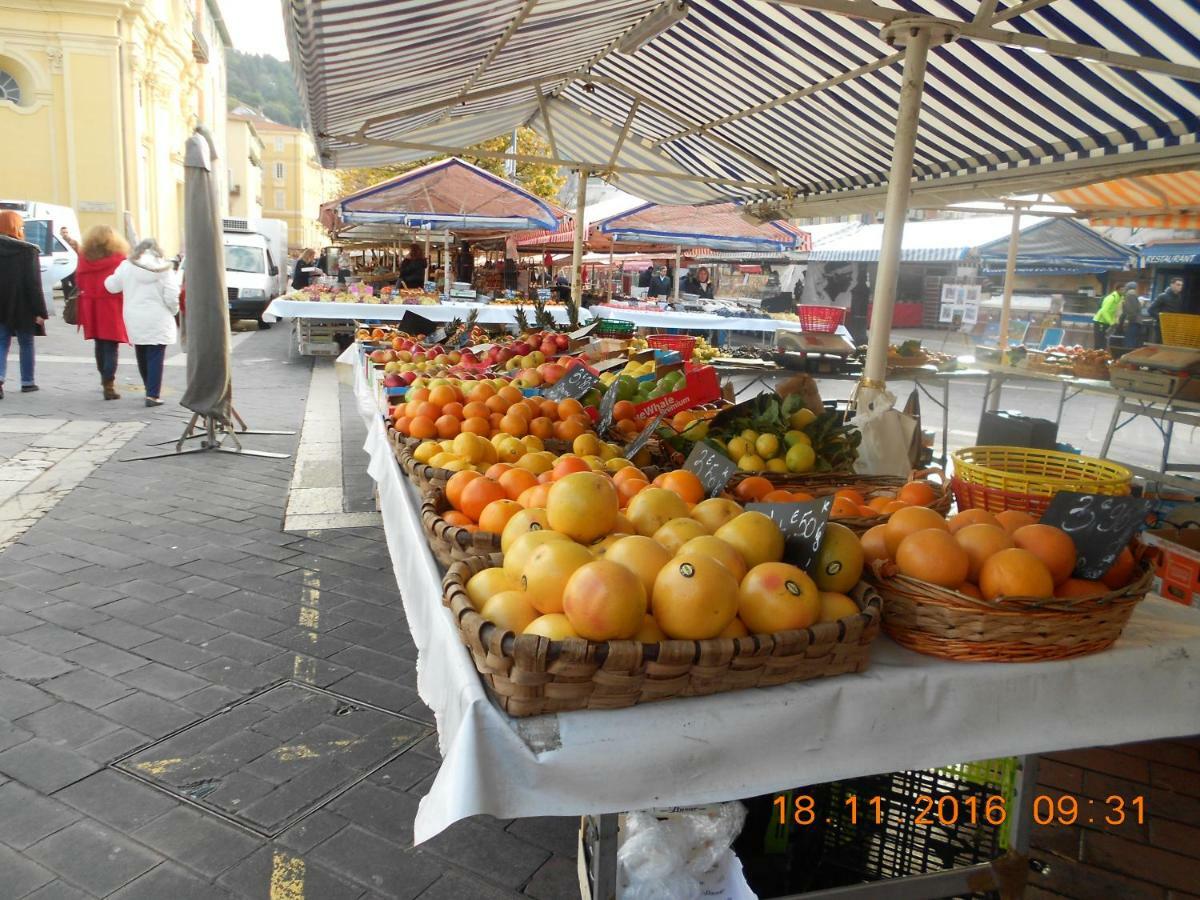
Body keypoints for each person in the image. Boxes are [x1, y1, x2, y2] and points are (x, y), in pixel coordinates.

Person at [103, 238, 179, 406]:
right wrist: (173, 311)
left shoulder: (127, 266)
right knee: (155, 355)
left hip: (134, 315)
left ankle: (148, 387)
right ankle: (152, 394)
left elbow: (111, 286)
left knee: (142, 351)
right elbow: (172, 295)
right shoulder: (164, 268)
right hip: (159, 317)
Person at [75, 225, 129, 400]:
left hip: (91, 305)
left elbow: (79, 281)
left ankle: (104, 378)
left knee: (99, 344)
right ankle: (109, 383)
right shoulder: (119, 259)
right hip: (112, 305)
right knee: (111, 345)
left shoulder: (84, 258)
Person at [0, 211, 48, 398]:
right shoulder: (28, 250)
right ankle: (27, 382)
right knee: (26, 342)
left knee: (1, 341)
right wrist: (39, 311)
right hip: (24, 305)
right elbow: (34, 284)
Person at [1148, 276, 1185, 343]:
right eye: (1178, 284)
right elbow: (1150, 310)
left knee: (1169, 346)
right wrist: (1161, 318)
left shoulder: (1179, 298)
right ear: (1172, 285)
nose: (1180, 287)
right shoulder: (1162, 296)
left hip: (1172, 327)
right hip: (1161, 326)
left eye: (1181, 285)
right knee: (1159, 345)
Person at [1092, 284, 1123, 349]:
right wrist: (1111, 322)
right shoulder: (1111, 298)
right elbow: (1104, 311)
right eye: (1122, 289)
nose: (1124, 291)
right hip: (1100, 321)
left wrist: (1115, 321)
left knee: (1104, 343)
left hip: (1107, 322)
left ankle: (1102, 357)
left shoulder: (1120, 299)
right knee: (1099, 343)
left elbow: (1116, 312)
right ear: (1117, 290)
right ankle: (1095, 357)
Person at [1118, 281, 1143, 350]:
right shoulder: (1132, 294)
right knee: (1132, 340)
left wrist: (1127, 320)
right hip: (1135, 321)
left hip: (1132, 321)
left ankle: (1127, 357)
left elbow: (1131, 310)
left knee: (1129, 341)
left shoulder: (1130, 294)